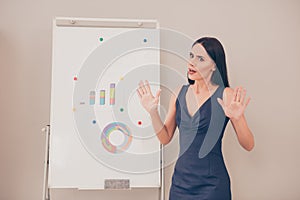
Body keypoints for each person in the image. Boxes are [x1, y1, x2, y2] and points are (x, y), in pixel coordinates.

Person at [137, 37, 254, 200]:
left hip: (212, 185)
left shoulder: (226, 94)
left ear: (214, 65)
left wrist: (238, 117)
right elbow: (164, 138)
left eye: (200, 59)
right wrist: (152, 111)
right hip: (180, 184)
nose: (192, 62)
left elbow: (249, 145)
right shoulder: (179, 92)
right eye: (191, 56)